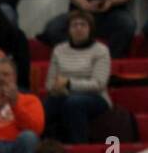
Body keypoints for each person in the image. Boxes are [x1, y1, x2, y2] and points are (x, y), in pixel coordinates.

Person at [44, 10, 112, 145]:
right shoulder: (59, 49)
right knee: (46, 104)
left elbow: (99, 84)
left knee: (74, 103)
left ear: (90, 29)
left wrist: (69, 83)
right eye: (74, 25)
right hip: (64, 94)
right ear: (69, 30)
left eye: (83, 25)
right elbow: (49, 83)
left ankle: (80, 147)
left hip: (96, 97)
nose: (78, 28)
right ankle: (46, 149)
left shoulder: (101, 50)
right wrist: (55, 88)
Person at [42, 0, 139, 58]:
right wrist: (85, 5)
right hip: (80, 12)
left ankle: (107, 61)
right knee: (54, 28)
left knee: (127, 24)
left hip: (112, 13)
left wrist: (112, 1)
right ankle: (79, 58)